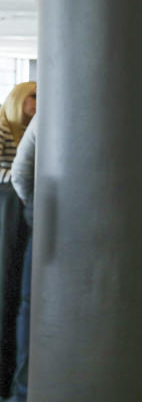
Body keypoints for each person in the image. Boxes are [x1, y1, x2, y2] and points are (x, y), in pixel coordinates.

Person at [0, 82, 35, 398]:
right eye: (32, 97)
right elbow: (19, 176)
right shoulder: (3, 131)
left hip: (20, 216)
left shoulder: (30, 132)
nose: (36, 103)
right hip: (10, 215)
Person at [9, 117, 36, 402]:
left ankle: (23, 394)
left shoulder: (48, 116)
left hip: (49, 228)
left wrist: (34, 211)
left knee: (31, 310)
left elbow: (20, 173)